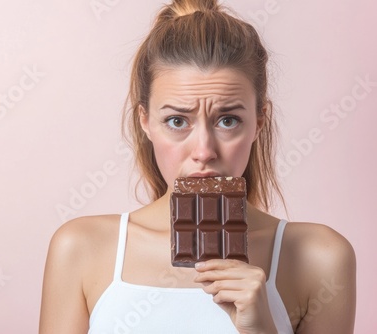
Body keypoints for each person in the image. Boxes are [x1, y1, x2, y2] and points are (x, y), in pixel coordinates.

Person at [39, 0, 356, 333]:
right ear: (145, 122)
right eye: (177, 120)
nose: (204, 151)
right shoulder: (80, 247)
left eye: (228, 119)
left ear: (259, 121)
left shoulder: (320, 257)